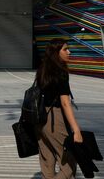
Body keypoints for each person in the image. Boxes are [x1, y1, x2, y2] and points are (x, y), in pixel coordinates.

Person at [35, 39, 82, 179]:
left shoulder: (42, 69)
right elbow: (65, 102)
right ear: (56, 52)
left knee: (47, 162)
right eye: (65, 49)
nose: (69, 52)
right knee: (69, 163)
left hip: (39, 119)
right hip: (54, 119)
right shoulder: (61, 72)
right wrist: (76, 129)